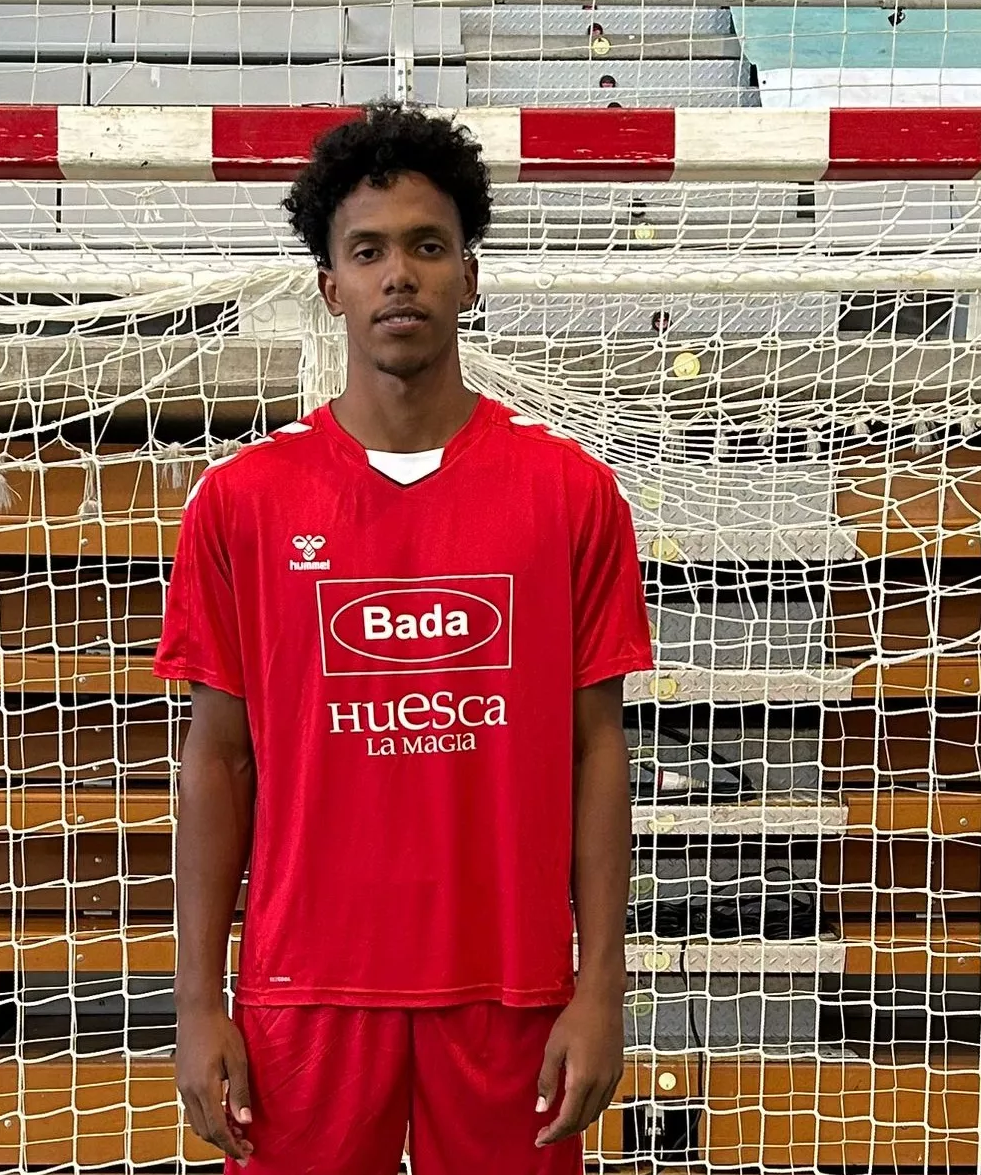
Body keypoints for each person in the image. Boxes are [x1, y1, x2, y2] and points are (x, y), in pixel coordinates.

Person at [154, 100, 655, 1174]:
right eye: (369, 251)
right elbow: (217, 759)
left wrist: (601, 988)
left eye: (428, 247)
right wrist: (196, 1003)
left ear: (469, 278)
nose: (399, 276)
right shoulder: (241, 502)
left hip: (515, 990)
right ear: (329, 285)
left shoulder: (570, 494)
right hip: (305, 990)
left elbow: (596, 749)